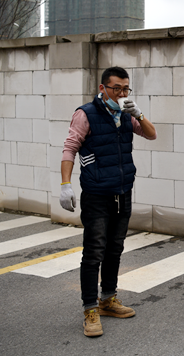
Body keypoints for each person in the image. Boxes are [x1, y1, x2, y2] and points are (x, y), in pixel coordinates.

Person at [60, 66, 157, 338]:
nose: (122, 94)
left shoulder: (126, 115)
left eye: (126, 89)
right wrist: (65, 184)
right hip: (97, 194)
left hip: (122, 191)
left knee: (115, 249)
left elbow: (151, 134)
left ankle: (108, 299)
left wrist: (139, 114)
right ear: (103, 88)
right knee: (94, 252)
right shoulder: (85, 114)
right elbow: (70, 148)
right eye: (117, 89)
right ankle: (90, 309)